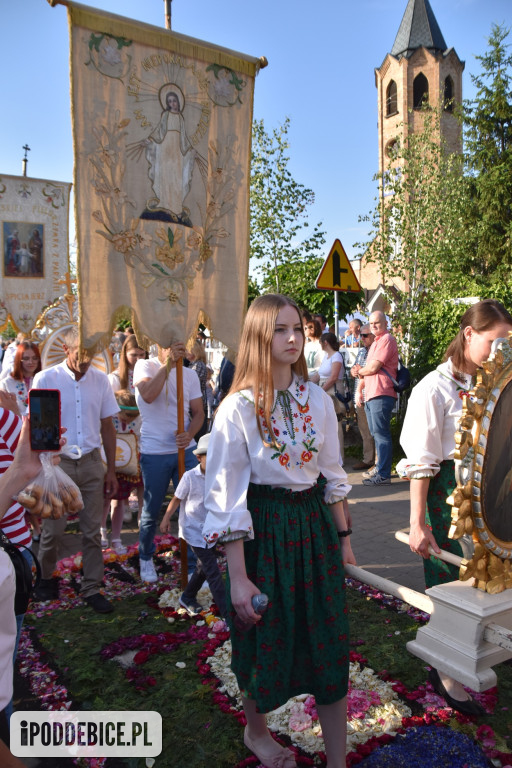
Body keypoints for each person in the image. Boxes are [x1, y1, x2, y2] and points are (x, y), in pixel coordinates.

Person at [202, 293, 355, 768]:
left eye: (298, 330)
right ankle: (257, 732)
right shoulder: (238, 408)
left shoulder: (318, 399)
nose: (292, 339)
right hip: (263, 529)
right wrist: (238, 577)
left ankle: (337, 760)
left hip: (313, 527)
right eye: (280, 330)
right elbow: (226, 495)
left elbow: (332, 475)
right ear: (258, 336)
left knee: (329, 638)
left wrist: (345, 541)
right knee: (259, 635)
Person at [398, 298, 512, 716]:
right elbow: (421, 463)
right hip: (449, 494)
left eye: (508, 343)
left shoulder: (499, 384)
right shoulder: (435, 387)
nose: (501, 352)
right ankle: (446, 675)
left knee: (493, 579)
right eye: (494, 342)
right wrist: (416, 523)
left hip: (494, 494)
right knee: (452, 583)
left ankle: (487, 646)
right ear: (468, 334)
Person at [32, 326, 119, 613]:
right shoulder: (46, 378)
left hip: (92, 461)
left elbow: (108, 425)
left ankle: (92, 586)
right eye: (80, 354)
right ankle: (45, 578)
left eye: (90, 354)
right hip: (59, 462)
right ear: (66, 350)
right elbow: (35, 427)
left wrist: (111, 470)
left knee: (93, 530)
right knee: (53, 530)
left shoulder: (101, 380)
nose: (85, 360)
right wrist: (41, 465)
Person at [134, 341, 204, 583]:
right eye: (169, 344)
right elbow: (149, 395)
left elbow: (199, 413)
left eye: (179, 344)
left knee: (193, 507)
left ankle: (194, 564)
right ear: (157, 345)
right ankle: (145, 557)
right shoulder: (144, 366)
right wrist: (167, 365)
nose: (175, 348)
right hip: (155, 451)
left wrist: (190, 433)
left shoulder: (190, 375)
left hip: (185, 450)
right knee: (152, 508)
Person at [160, 432, 227, 618]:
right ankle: (226, 612)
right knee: (212, 570)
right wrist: (166, 518)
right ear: (199, 457)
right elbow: (176, 499)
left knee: (203, 568)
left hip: (212, 529)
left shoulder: (219, 477)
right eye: (210, 457)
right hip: (194, 531)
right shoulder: (190, 477)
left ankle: (188, 596)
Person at [351, 311, 398, 486]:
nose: (373, 326)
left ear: (385, 323)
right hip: (371, 393)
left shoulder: (387, 339)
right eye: (371, 324)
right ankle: (380, 469)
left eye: (377, 323)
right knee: (376, 434)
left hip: (381, 392)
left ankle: (384, 474)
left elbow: (372, 367)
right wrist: (359, 386)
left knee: (381, 434)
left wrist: (358, 371)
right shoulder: (376, 342)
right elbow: (366, 371)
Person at [108, 335, 146, 522]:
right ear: (124, 354)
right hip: (120, 435)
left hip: (141, 434)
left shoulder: (148, 376)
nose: (138, 359)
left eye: (141, 354)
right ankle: (120, 510)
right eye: (133, 355)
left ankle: (141, 514)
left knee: (141, 479)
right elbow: (108, 407)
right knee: (121, 477)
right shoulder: (114, 378)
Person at [100, 390, 141, 554]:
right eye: (127, 415)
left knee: (119, 502)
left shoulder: (137, 421)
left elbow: (138, 439)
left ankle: (116, 538)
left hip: (125, 468)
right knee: (104, 500)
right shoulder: (108, 419)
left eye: (133, 416)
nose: (130, 419)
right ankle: (101, 529)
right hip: (107, 466)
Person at [312, 332, 347, 459]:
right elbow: (318, 375)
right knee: (326, 425)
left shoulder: (336, 356)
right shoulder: (327, 356)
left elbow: (333, 377)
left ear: (325, 342)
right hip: (325, 391)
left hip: (332, 392)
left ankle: (339, 458)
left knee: (335, 425)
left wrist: (320, 391)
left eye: (321, 342)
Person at [351, 324, 376, 470]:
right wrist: (354, 371)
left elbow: (371, 370)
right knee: (364, 430)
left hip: (372, 393)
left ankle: (379, 462)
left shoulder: (378, 350)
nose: (362, 338)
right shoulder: (361, 351)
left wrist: (361, 370)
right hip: (360, 395)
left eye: (365, 335)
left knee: (376, 430)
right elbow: (354, 369)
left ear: (373, 336)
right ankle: (368, 459)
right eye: (361, 335)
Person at [0, 341, 41, 417]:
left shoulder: (43, 380)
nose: (30, 362)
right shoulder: (6, 384)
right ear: (18, 360)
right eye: (26, 358)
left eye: (35, 358)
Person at [186, 341, 209, 440]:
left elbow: (190, 385)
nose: (185, 352)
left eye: (188, 350)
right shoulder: (194, 364)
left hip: (196, 405)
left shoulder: (198, 365)